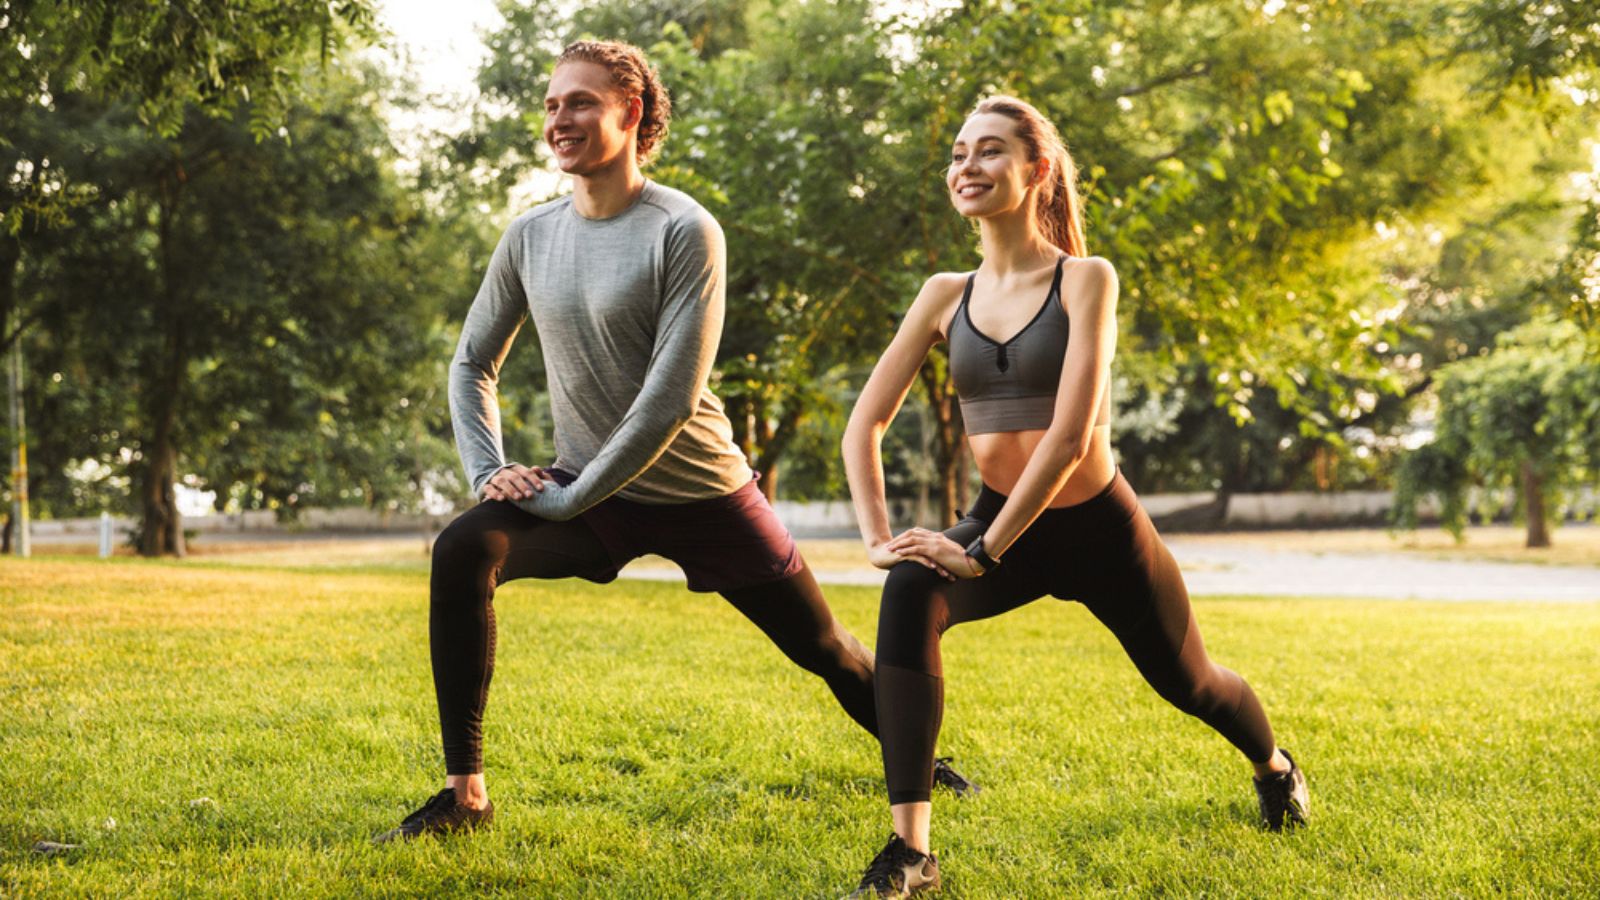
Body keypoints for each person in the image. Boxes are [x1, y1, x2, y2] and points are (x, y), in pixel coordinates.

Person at [377, 40, 973, 844]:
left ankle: (920, 760)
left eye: (582, 102)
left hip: (702, 494)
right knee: (463, 549)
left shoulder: (684, 229)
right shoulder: (529, 236)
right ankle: (465, 795)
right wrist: (491, 474)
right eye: (553, 104)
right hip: (588, 491)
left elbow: (667, 402)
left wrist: (564, 496)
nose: (561, 118)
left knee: (824, 646)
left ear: (632, 114)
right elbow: (471, 361)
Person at [838, 95, 1309, 897]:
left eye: (990, 152)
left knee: (1189, 681)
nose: (967, 167)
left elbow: (1069, 434)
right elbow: (864, 425)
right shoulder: (944, 294)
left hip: (1097, 529)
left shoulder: (1086, 279)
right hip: (996, 519)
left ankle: (1274, 767)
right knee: (911, 589)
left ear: (1037, 170)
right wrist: (879, 538)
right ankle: (911, 852)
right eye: (958, 154)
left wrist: (983, 551)